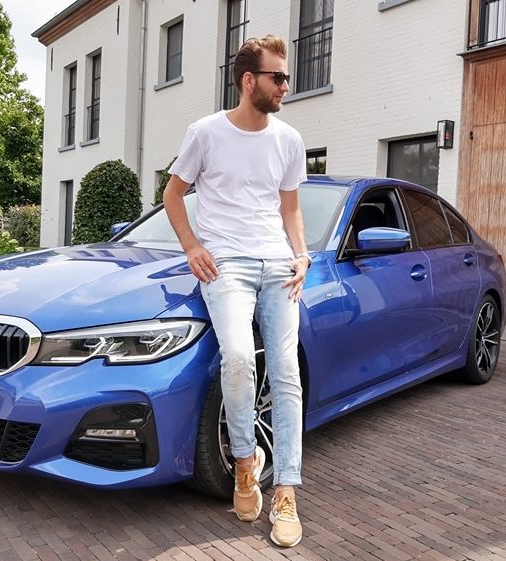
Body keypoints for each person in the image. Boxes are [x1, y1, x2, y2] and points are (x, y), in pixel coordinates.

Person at [162, 34, 308, 548]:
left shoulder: (289, 139)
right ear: (249, 81)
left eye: (286, 77)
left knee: (286, 372)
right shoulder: (205, 133)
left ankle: (286, 490)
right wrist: (191, 246)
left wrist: (302, 254)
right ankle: (246, 462)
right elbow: (173, 194)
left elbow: (290, 207)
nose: (286, 85)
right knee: (240, 358)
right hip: (227, 265)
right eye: (278, 77)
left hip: (279, 265)